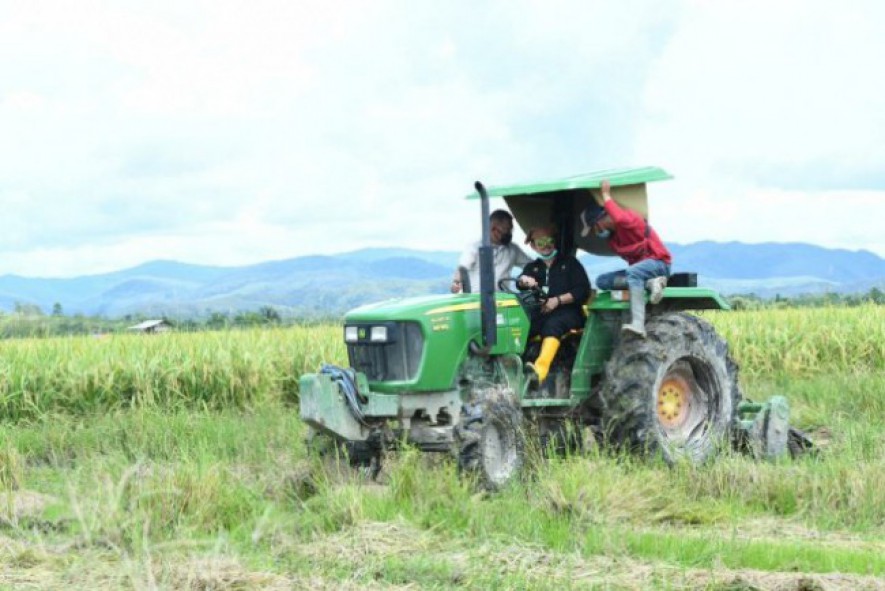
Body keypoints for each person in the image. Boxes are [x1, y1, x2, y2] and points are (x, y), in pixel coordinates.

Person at [590, 179, 671, 338]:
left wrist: (606, 195)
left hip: (658, 264)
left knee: (633, 272)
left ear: (601, 219)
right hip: (641, 272)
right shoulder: (614, 241)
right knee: (602, 280)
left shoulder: (631, 220)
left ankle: (638, 324)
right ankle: (650, 283)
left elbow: (619, 219)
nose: (596, 232)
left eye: (594, 227)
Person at [517, 225, 590, 384]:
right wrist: (523, 280)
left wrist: (557, 300)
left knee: (553, 325)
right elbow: (520, 283)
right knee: (522, 325)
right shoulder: (532, 267)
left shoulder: (570, 263)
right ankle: (514, 371)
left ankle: (539, 371)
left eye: (548, 241)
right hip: (542, 312)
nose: (545, 246)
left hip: (569, 312)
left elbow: (582, 290)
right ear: (533, 246)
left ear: (554, 242)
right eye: (540, 242)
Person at [451, 209, 532, 294]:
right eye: (506, 230)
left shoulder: (513, 249)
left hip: (502, 300)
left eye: (511, 230)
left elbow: (530, 265)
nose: (509, 233)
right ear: (493, 229)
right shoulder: (474, 247)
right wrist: (456, 282)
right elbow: (463, 268)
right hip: (476, 299)